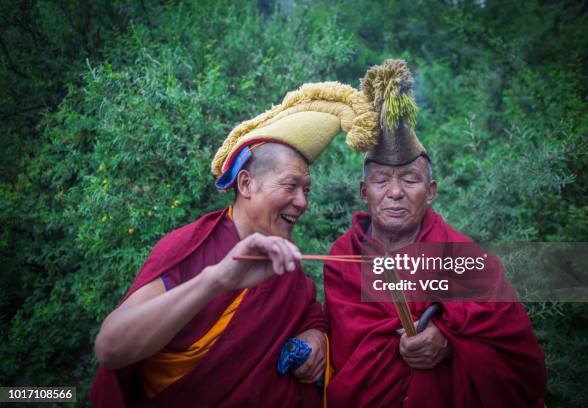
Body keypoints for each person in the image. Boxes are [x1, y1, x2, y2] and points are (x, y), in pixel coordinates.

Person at [90, 82, 378, 407]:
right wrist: (216, 280)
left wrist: (314, 337)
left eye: (307, 190)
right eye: (290, 186)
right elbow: (110, 348)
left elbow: (310, 315)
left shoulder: (284, 265)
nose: (301, 202)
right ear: (246, 184)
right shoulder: (191, 246)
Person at [323, 60, 547, 407]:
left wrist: (448, 342)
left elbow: (515, 356)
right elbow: (351, 344)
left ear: (430, 192)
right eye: (381, 180)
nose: (395, 192)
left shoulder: (466, 257)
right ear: (364, 192)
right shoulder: (343, 257)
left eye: (410, 179)